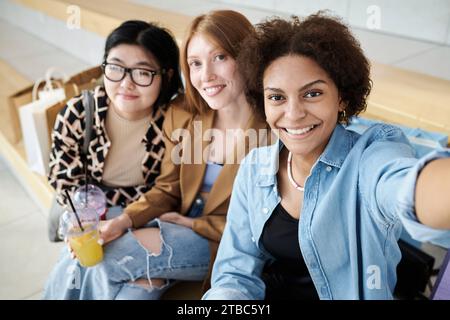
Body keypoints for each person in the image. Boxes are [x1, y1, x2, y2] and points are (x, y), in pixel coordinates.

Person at [203, 13, 450, 300]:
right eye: (277, 97)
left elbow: (407, 186)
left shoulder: (368, 159)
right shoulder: (254, 168)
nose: (293, 114)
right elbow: (235, 274)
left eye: (312, 94)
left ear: (341, 97)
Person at [44, 10, 272, 300]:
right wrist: (125, 220)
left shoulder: (273, 130)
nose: (206, 75)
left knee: (107, 258)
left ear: (247, 56)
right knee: (129, 288)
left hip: (225, 242)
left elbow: (266, 222)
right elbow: (168, 188)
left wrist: (195, 224)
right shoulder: (185, 115)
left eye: (220, 58)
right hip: (173, 224)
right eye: (195, 63)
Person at [48, 20, 182, 216]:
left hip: (147, 212)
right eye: (116, 68)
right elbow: (64, 181)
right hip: (88, 211)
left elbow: (169, 189)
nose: (126, 84)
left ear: (167, 75)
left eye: (143, 72)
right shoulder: (80, 113)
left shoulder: (174, 121)